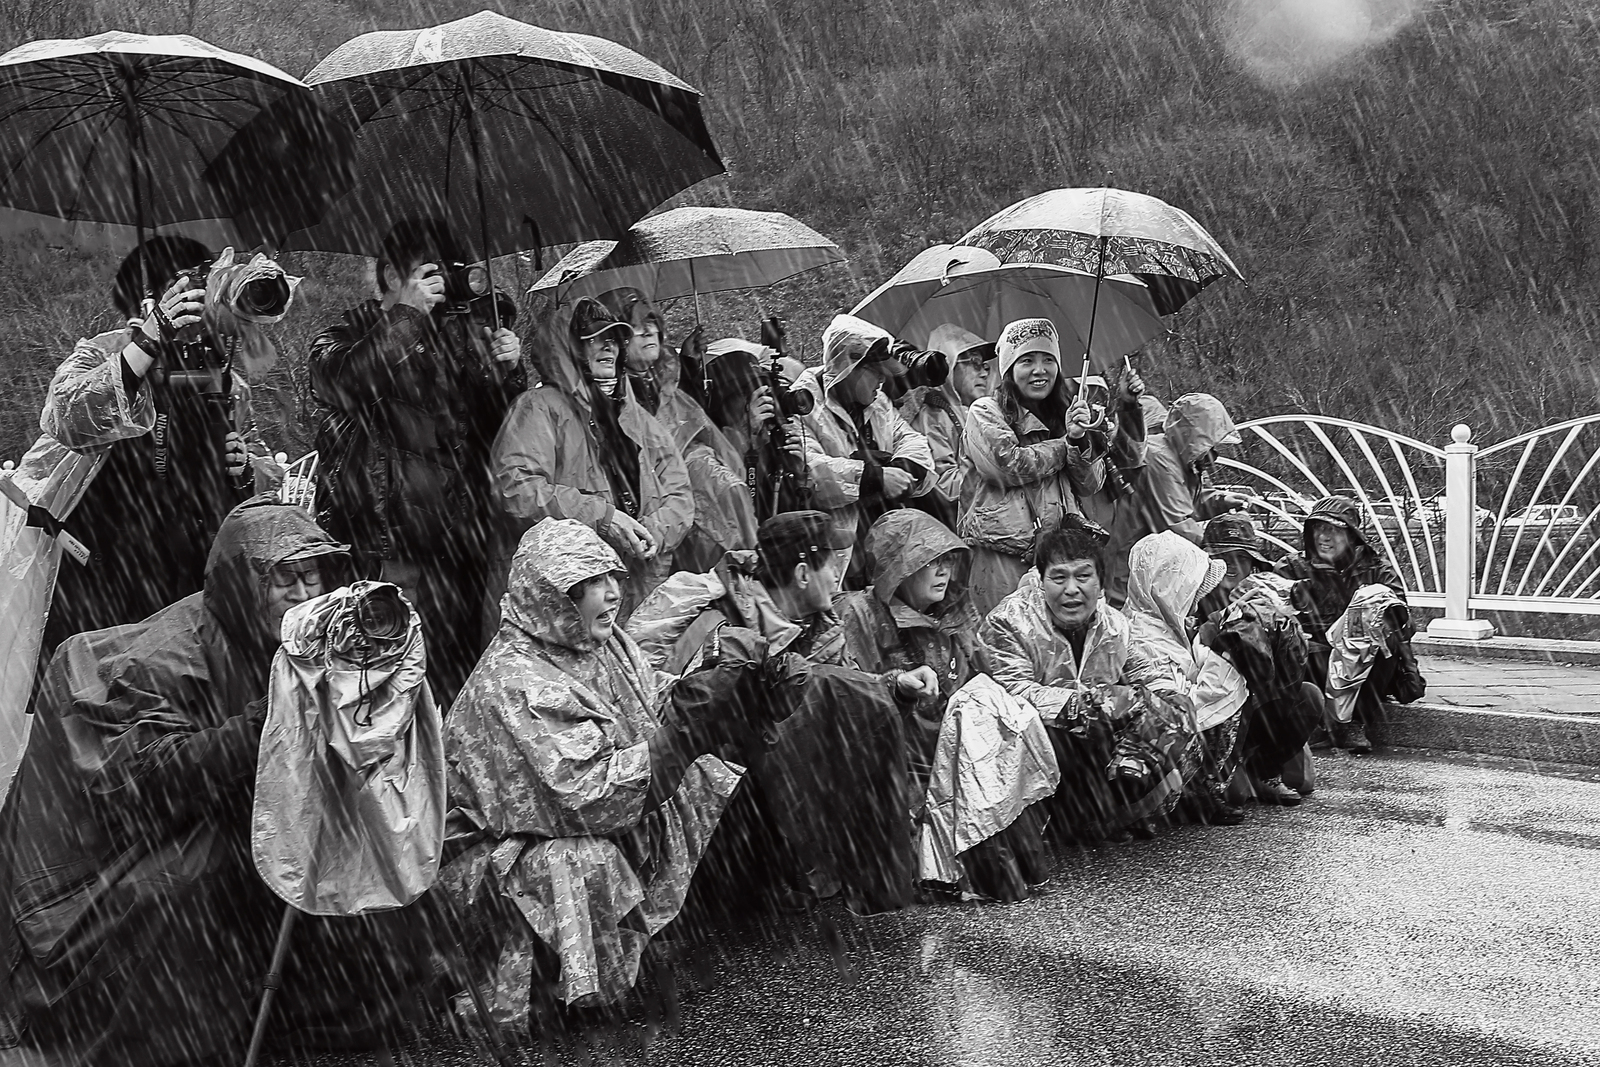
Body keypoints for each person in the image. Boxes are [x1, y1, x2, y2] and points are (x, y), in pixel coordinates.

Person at [0, 498, 434, 1067]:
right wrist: (261, 725)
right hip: (109, 852)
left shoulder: (293, 641)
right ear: (243, 586)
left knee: (358, 833)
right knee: (192, 879)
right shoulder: (163, 658)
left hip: (213, 805)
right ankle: (182, 1034)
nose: (304, 594)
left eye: (312, 576)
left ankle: (326, 1005)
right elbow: (144, 783)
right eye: (285, 580)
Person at [440, 518, 746, 1028]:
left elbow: (647, 707)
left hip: (569, 820)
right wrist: (684, 735)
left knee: (707, 773)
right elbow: (587, 799)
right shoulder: (514, 681)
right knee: (579, 860)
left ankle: (651, 940)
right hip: (498, 858)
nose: (612, 594)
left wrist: (714, 686)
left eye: (611, 577)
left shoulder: (597, 643)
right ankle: (548, 990)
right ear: (552, 596)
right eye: (590, 584)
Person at [627, 511, 939, 914]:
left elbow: (850, 694)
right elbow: (684, 712)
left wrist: (895, 685)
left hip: (770, 785)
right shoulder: (717, 616)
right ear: (803, 573)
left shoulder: (822, 628)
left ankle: (844, 885)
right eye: (831, 564)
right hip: (711, 790)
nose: (838, 576)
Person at [28, 236, 283, 653]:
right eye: (191, 285)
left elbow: (267, 475)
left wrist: (246, 468)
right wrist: (148, 342)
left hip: (191, 571)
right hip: (103, 568)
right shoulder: (107, 351)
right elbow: (67, 419)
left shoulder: (224, 379)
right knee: (92, 677)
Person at [309, 217, 525, 706]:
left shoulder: (456, 339)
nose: (440, 285)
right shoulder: (346, 334)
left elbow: (494, 434)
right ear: (391, 275)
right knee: (380, 691)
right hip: (385, 549)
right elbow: (343, 383)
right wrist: (405, 315)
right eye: (429, 272)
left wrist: (508, 373)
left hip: (458, 550)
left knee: (454, 688)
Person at [834, 509, 1048, 901]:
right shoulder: (860, 614)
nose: (943, 571)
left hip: (955, 759)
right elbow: (849, 694)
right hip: (895, 762)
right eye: (929, 561)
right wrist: (897, 684)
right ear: (897, 568)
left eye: (947, 560)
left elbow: (985, 683)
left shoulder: (954, 613)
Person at [981, 520, 1194, 843]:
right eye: (1059, 577)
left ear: (1100, 584)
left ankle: (1095, 815)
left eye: (1083, 576)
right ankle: (1051, 821)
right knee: (1073, 730)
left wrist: (1171, 703)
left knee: (1169, 718)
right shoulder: (1009, 621)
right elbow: (1011, 692)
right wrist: (1088, 704)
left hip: (1091, 738)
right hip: (1028, 739)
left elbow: (1149, 674)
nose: (1071, 589)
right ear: (1041, 580)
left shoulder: (1115, 626)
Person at [492, 297, 692, 621]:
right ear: (569, 347)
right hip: (561, 601)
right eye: (594, 339)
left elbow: (680, 493)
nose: (608, 346)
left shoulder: (639, 419)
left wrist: (650, 532)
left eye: (613, 338)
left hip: (636, 595)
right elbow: (515, 489)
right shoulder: (538, 407)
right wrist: (602, 518)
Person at [597, 290, 757, 570]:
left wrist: (690, 366)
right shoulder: (612, 397)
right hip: (661, 533)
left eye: (651, 322)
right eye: (635, 326)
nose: (648, 331)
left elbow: (695, 430)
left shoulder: (668, 385)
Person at [960, 317, 1105, 617]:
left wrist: (1079, 439)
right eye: (1027, 360)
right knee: (1005, 637)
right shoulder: (985, 411)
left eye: (1048, 360)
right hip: (1003, 558)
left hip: (1057, 559)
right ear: (1009, 369)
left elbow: (1090, 484)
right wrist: (1064, 445)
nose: (1040, 370)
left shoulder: (1066, 415)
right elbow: (1008, 466)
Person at [793, 314, 935, 588]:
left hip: (880, 544)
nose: (883, 378)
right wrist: (873, 477)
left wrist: (902, 469)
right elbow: (809, 471)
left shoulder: (877, 402)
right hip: (828, 554)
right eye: (875, 371)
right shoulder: (801, 403)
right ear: (849, 366)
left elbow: (912, 440)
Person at [1121, 531, 1248, 825]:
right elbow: (1180, 707)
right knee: (1230, 683)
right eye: (1191, 589)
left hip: (1158, 750)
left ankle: (1198, 790)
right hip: (1155, 756)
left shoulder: (1159, 623)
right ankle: (1185, 795)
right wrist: (1221, 658)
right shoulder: (1141, 637)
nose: (1196, 601)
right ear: (1171, 586)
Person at [1197, 514, 1322, 804]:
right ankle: (1230, 768)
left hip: (1259, 706)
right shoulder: (1191, 596)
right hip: (1214, 710)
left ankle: (1264, 770)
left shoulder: (1267, 597)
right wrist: (1224, 622)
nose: (1232, 566)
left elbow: (1291, 670)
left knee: (1310, 696)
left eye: (1240, 557)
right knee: (1236, 796)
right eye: (1223, 557)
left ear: (1252, 563)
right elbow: (1192, 660)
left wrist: (1281, 631)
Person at [1277, 496, 1410, 754]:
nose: (1323, 537)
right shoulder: (1292, 567)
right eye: (1318, 528)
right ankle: (1313, 719)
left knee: (1389, 641)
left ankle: (1355, 721)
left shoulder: (1376, 569)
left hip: (1362, 661)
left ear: (1351, 536)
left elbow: (1403, 619)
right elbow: (1268, 609)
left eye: (1334, 530)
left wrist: (1372, 617)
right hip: (1311, 657)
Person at [1106, 392, 1250, 607]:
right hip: (1127, 568)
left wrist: (1222, 500)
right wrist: (1222, 545)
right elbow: (1177, 524)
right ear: (1193, 438)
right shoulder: (1160, 460)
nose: (1213, 455)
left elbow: (1188, 500)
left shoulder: (1180, 459)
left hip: (1146, 568)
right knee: (1128, 618)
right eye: (1208, 446)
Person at [894, 324, 992, 529]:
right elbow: (945, 487)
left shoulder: (979, 412)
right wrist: (997, 473)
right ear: (949, 367)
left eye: (985, 365)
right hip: (955, 530)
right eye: (974, 362)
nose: (984, 373)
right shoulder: (933, 417)